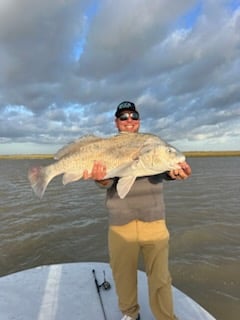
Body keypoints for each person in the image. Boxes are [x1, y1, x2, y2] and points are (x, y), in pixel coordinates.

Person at [83, 101, 192, 320]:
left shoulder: (151, 145)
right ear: (117, 123)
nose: (129, 120)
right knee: (122, 275)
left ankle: (165, 317)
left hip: (154, 221)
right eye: (123, 117)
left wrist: (175, 172)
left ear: (139, 121)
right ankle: (130, 315)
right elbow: (107, 182)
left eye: (134, 116)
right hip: (120, 224)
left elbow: (165, 171)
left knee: (160, 277)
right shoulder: (109, 147)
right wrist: (100, 179)